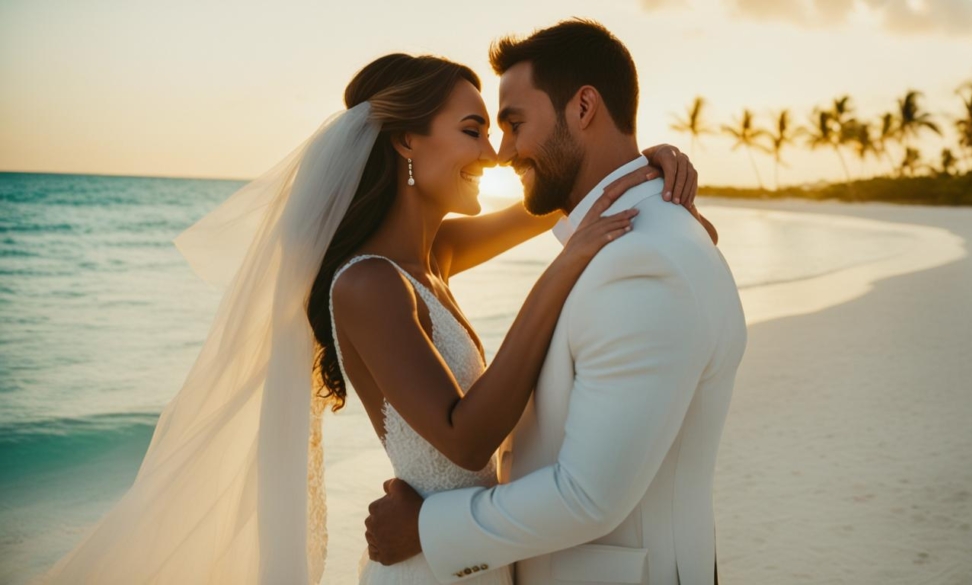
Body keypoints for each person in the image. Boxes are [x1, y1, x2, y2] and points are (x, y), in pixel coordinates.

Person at [34, 51, 710, 584]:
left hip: (466, 555)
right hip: (424, 571)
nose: (495, 153)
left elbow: (555, 195)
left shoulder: (433, 255)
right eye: (473, 130)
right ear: (406, 142)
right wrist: (562, 272)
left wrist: (645, 161)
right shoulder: (366, 285)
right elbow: (466, 437)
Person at [363, 20, 747, 585]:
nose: (503, 151)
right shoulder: (639, 238)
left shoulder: (642, 262)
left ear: (584, 106)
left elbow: (589, 496)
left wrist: (427, 530)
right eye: (484, 129)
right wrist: (637, 166)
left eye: (514, 124)